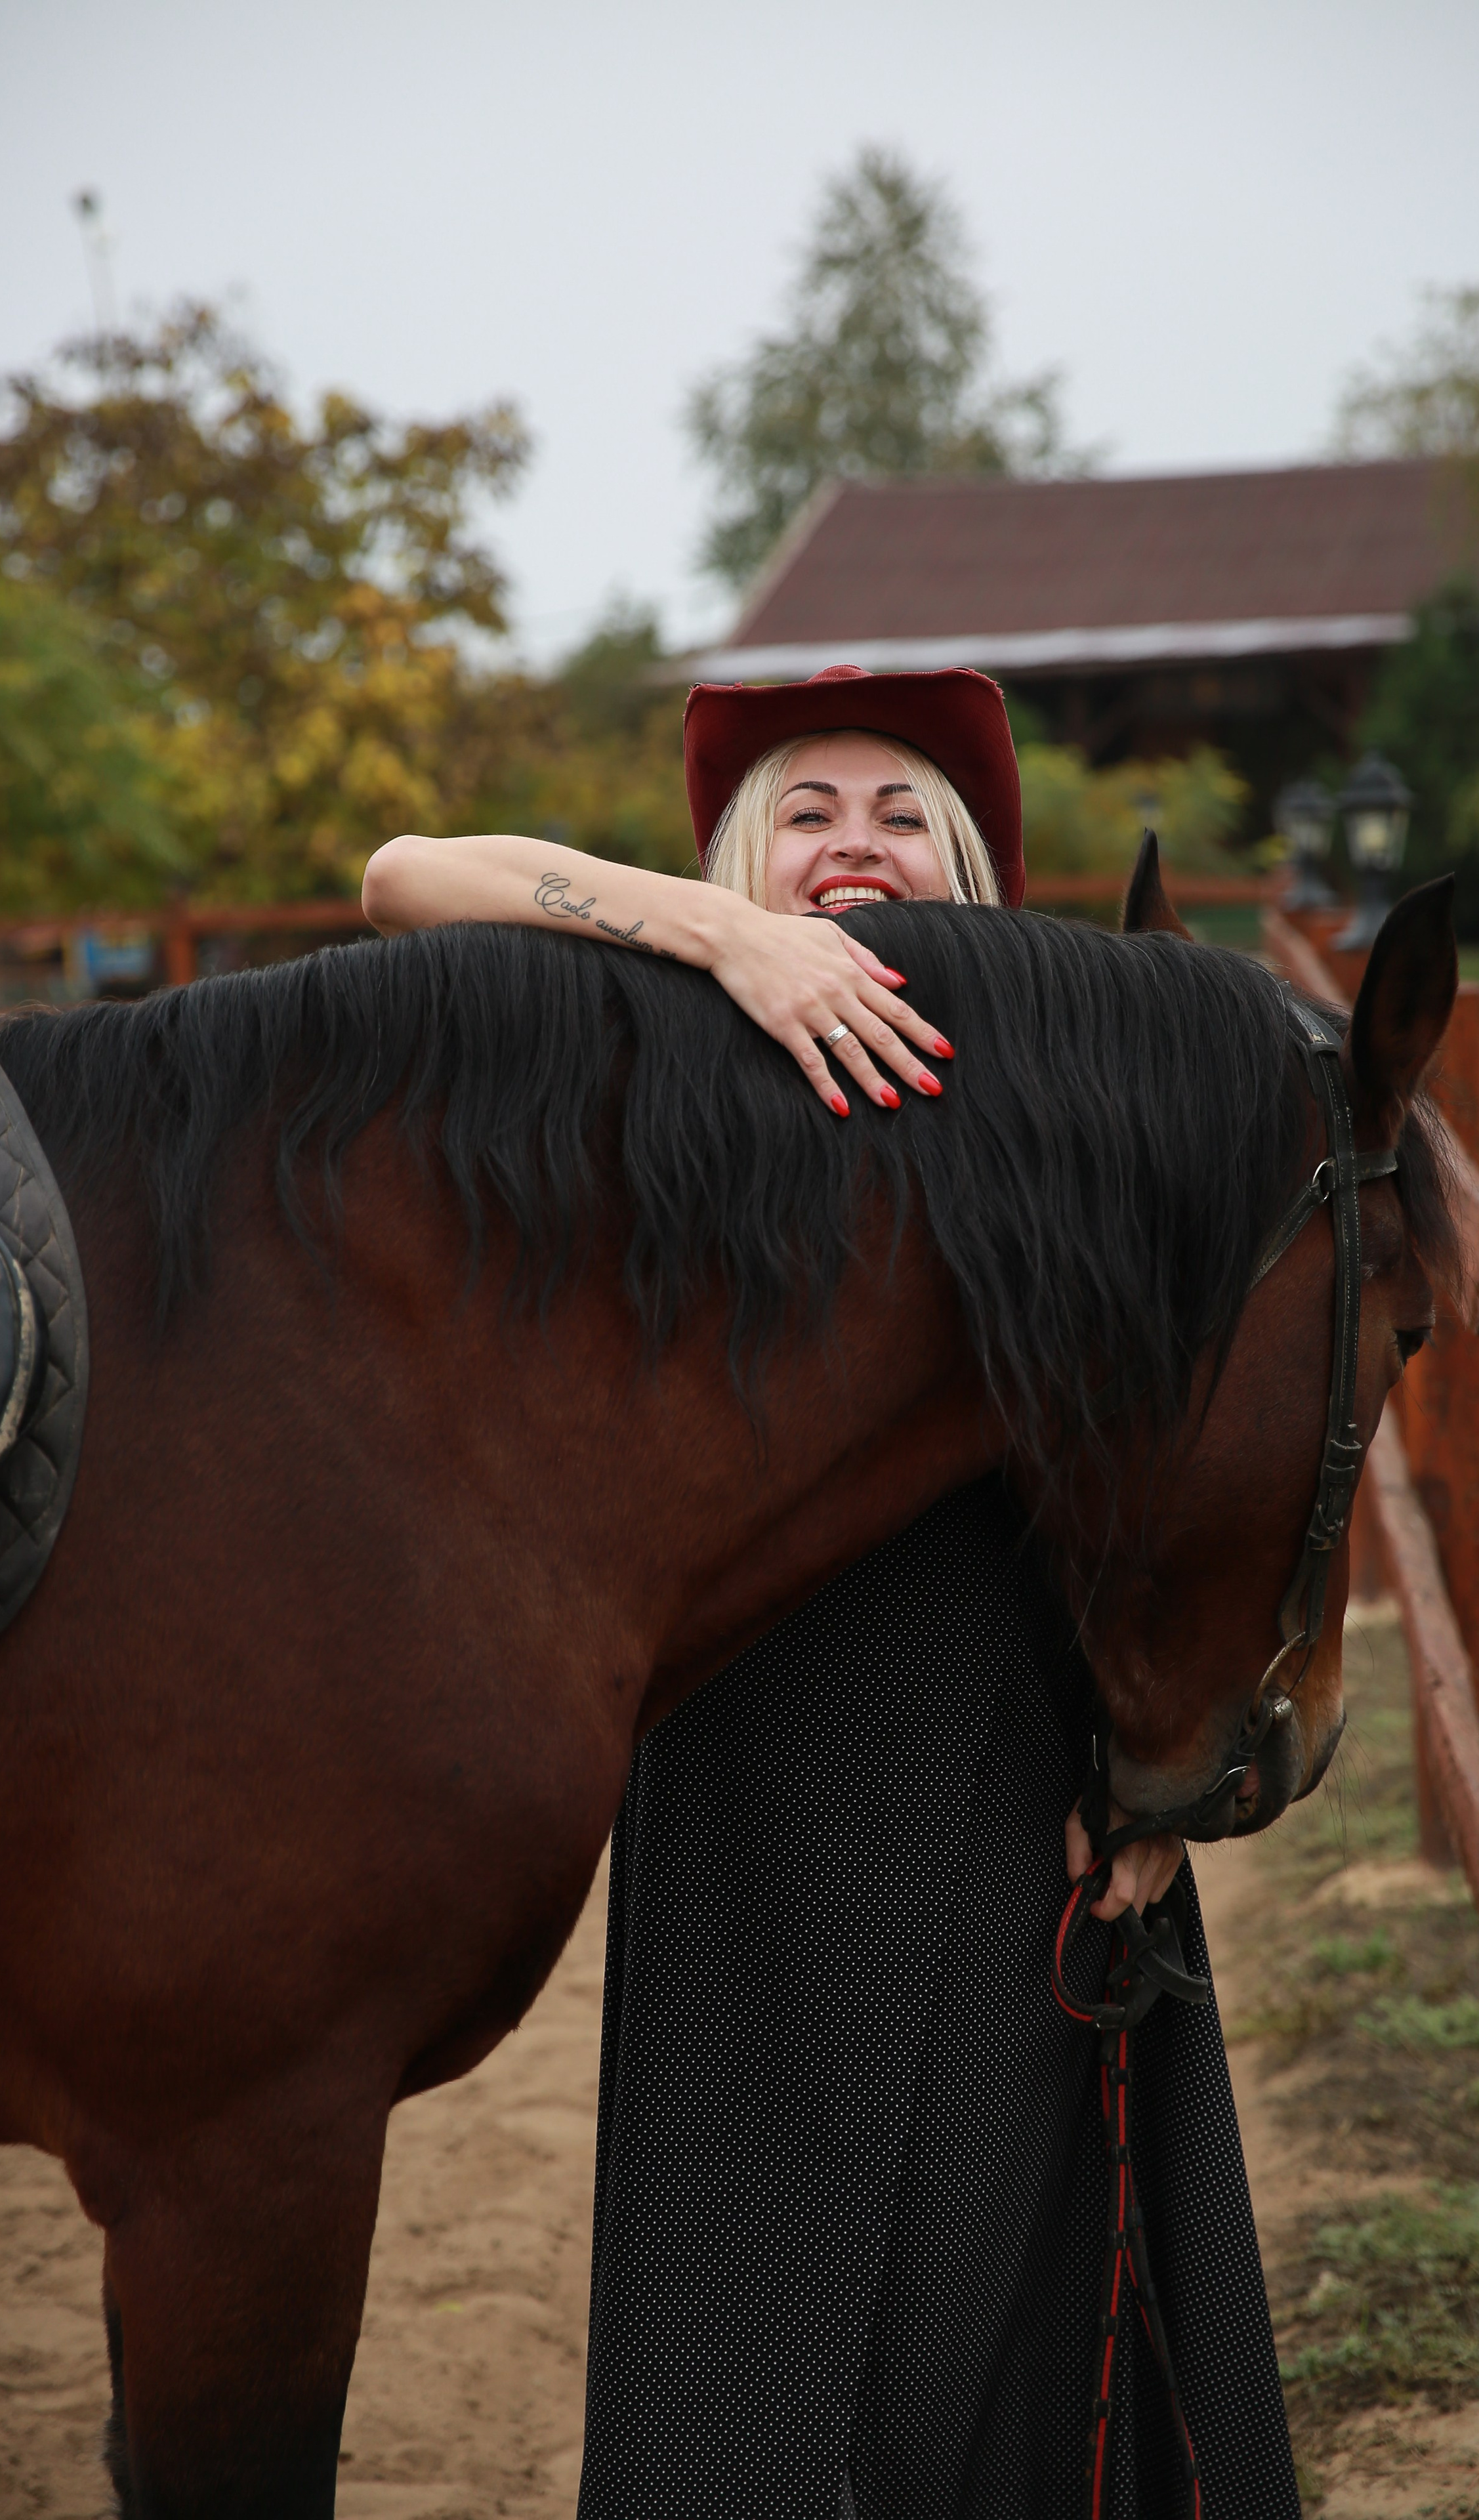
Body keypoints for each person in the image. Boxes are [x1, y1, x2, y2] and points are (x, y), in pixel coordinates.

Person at [363, 665, 1299, 2519]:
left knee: (1007, 2259)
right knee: (752, 2277)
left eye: (898, 813)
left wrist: (1159, 1788)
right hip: (740, 1751)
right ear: (744, 852)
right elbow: (406, 872)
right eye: (809, 810)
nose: (853, 842)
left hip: (1009, 1734)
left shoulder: (1056, 1068)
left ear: (960, 865)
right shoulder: (664, 1023)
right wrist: (720, 940)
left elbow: (1179, 1437)